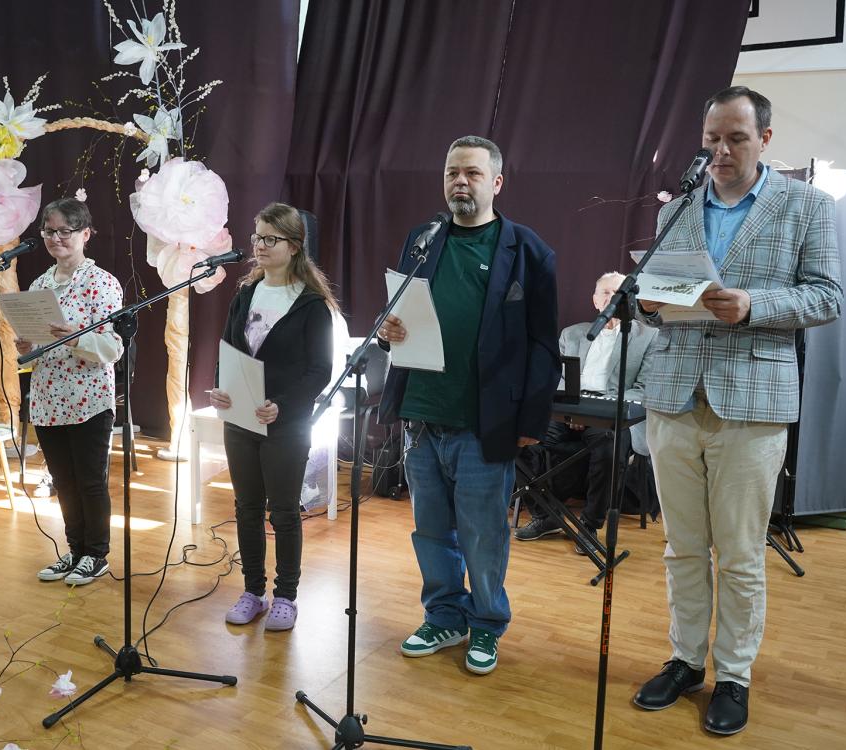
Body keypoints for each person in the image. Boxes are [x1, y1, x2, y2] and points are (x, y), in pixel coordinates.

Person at [631, 87, 842, 735]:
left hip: (751, 403)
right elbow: (659, 293)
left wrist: (755, 305)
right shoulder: (678, 207)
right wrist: (645, 302)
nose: (720, 151)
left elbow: (827, 296)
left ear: (765, 139)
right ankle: (685, 660)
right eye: (711, 139)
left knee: (741, 554)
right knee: (682, 548)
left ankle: (734, 675)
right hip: (673, 396)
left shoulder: (806, 206)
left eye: (735, 139)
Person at [378, 135, 561, 675]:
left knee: (483, 535)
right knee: (431, 531)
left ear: (496, 182)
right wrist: (389, 330)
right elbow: (402, 313)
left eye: (473, 173)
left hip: (485, 423)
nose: (460, 181)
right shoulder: (422, 239)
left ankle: (486, 623)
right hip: (421, 415)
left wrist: (531, 419)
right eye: (452, 172)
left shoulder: (528, 250)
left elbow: (543, 344)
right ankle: (444, 616)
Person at [210, 202, 336, 632]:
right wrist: (220, 388)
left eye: (270, 238)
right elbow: (227, 351)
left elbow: (320, 370)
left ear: (294, 246)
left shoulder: (311, 304)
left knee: (283, 511)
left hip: (286, 423)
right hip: (241, 420)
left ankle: (285, 597)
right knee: (246, 508)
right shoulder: (245, 294)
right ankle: (253, 592)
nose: (259, 246)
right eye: (257, 237)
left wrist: (282, 404)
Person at [16, 197, 123, 587]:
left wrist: (76, 339)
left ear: (85, 234)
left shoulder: (102, 283)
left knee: (89, 481)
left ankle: (96, 554)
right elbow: (36, 346)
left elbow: (112, 348)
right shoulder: (40, 285)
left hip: (88, 398)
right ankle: (75, 550)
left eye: (65, 230)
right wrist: (27, 346)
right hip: (47, 397)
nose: (56, 238)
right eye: (49, 231)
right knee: (62, 480)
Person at [514, 271, 657, 551]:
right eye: (606, 292)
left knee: (610, 446)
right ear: (595, 300)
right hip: (568, 407)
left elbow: (642, 389)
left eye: (618, 293)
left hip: (611, 413)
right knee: (520, 440)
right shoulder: (572, 334)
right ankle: (546, 515)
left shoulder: (648, 337)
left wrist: (595, 410)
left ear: (630, 300)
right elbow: (556, 378)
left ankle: (589, 524)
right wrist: (575, 408)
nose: (612, 298)